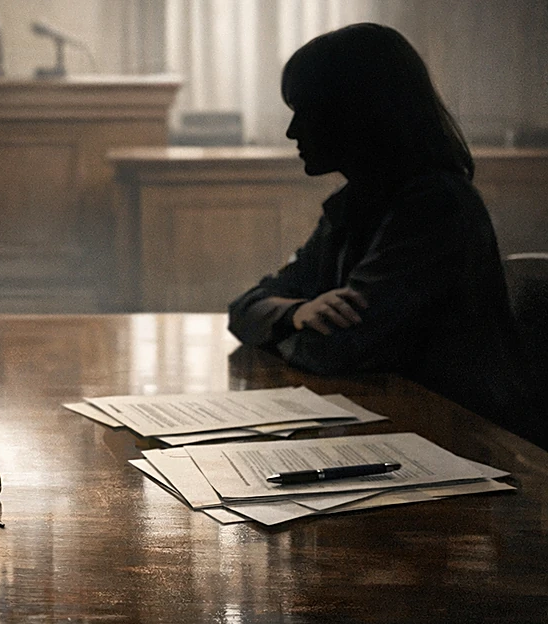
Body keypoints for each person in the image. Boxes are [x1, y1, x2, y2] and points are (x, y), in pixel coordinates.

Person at [228, 23, 542, 445]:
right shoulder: (355, 202)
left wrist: (284, 323)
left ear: (359, 112)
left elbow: (337, 350)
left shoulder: (436, 207)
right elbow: (243, 308)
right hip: (395, 432)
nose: (292, 131)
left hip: (457, 444)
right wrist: (298, 313)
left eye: (307, 111)